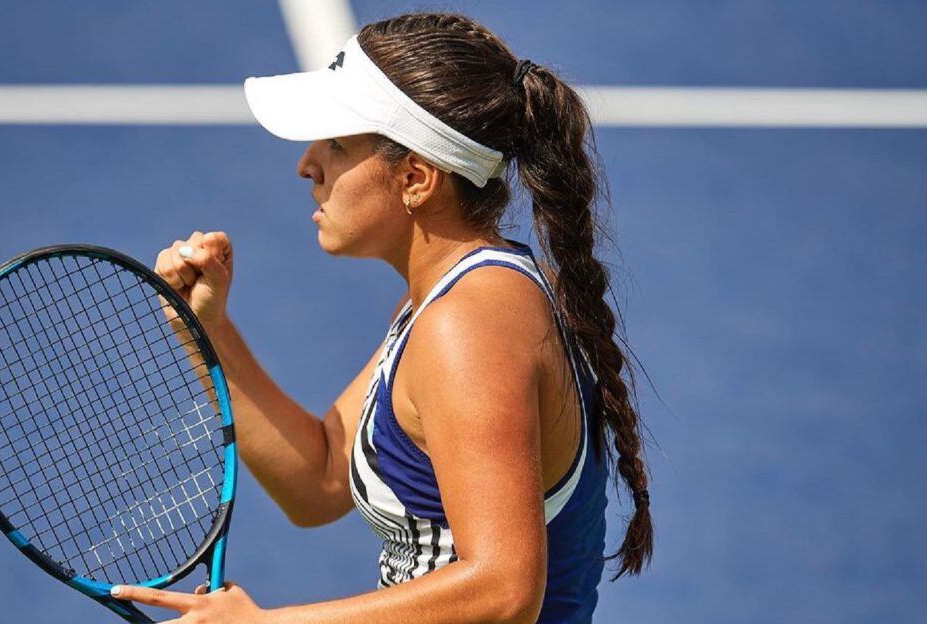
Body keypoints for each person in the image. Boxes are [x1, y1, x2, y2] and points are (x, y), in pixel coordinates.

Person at [112, 11, 652, 624]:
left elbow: (505, 590)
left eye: (337, 144)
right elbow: (319, 479)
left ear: (416, 178)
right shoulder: (450, 299)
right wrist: (205, 330)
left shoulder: (468, 327)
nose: (307, 165)